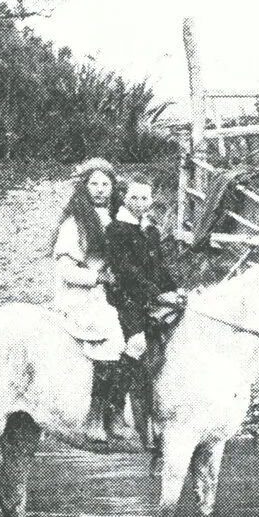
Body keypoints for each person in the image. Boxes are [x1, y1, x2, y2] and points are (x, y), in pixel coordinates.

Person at [105, 175, 186, 448]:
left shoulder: (150, 230)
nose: (140, 203)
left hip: (150, 298)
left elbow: (159, 267)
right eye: (134, 198)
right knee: (137, 344)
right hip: (127, 298)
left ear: (151, 201)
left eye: (145, 198)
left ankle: (164, 414)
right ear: (125, 199)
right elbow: (125, 269)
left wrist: (174, 289)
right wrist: (155, 292)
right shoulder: (116, 229)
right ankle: (114, 408)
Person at [52, 157, 126, 442]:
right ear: (84, 187)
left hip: (113, 293)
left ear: (113, 187)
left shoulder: (120, 217)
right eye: (93, 184)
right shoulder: (75, 223)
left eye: (105, 184)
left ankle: (121, 409)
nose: (99, 189)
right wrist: (98, 278)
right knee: (114, 333)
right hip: (83, 295)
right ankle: (96, 416)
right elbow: (66, 270)